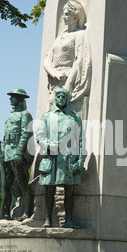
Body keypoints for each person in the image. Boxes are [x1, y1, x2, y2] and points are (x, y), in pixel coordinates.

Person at [36, 87, 85, 228]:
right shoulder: (47, 116)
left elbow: (81, 140)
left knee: (69, 191)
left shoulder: (75, 117)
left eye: (63, 96)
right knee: (49, 190)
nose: (61, 99)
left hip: (68, 159)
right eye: (58, 96)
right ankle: (47, 219)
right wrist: (50, 146)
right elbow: (40, 136)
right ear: (55, 99)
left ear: (67, 99)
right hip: (51, 158)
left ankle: (68, 220)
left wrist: (81, 160)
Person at [43, 0, 91, 109]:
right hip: (55, 80)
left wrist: (69, 84)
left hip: (66, 79)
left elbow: (80, 60)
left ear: (75, 16)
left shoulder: (80, 35)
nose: (64, 17)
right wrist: (54, 73)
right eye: (64, 14)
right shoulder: (59, 37)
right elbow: (47, 60)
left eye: (67, 14)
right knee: (49, 115)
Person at [0, 88, 33, 221]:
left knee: (23, 183)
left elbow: (26, 134)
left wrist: (19, 152)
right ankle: (5, 214)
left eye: (12, 96)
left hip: (17, 155)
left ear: (19, 99)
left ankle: (28, 212)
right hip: (6, 154)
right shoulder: (11, 115)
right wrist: (2, 153)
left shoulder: (25, 114)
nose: (10, 99)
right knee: (6, 186)